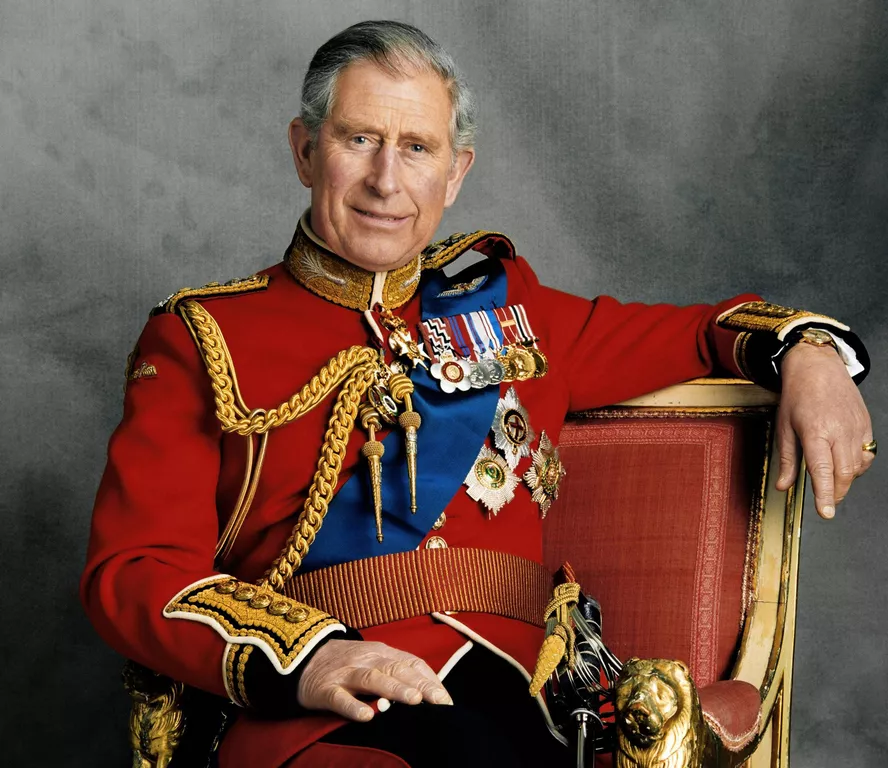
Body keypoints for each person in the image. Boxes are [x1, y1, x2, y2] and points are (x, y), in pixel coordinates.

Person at [81, 20, 875, 768]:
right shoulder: (204, 336)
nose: (386, 180)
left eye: (416, 148)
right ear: (305, 150)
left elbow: (703, 333)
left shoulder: (511, 310)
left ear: (455, 172)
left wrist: (808, 352)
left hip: (518, 696)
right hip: (326, 710)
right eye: (360, 140)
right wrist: (307, 658)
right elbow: (134, 572)